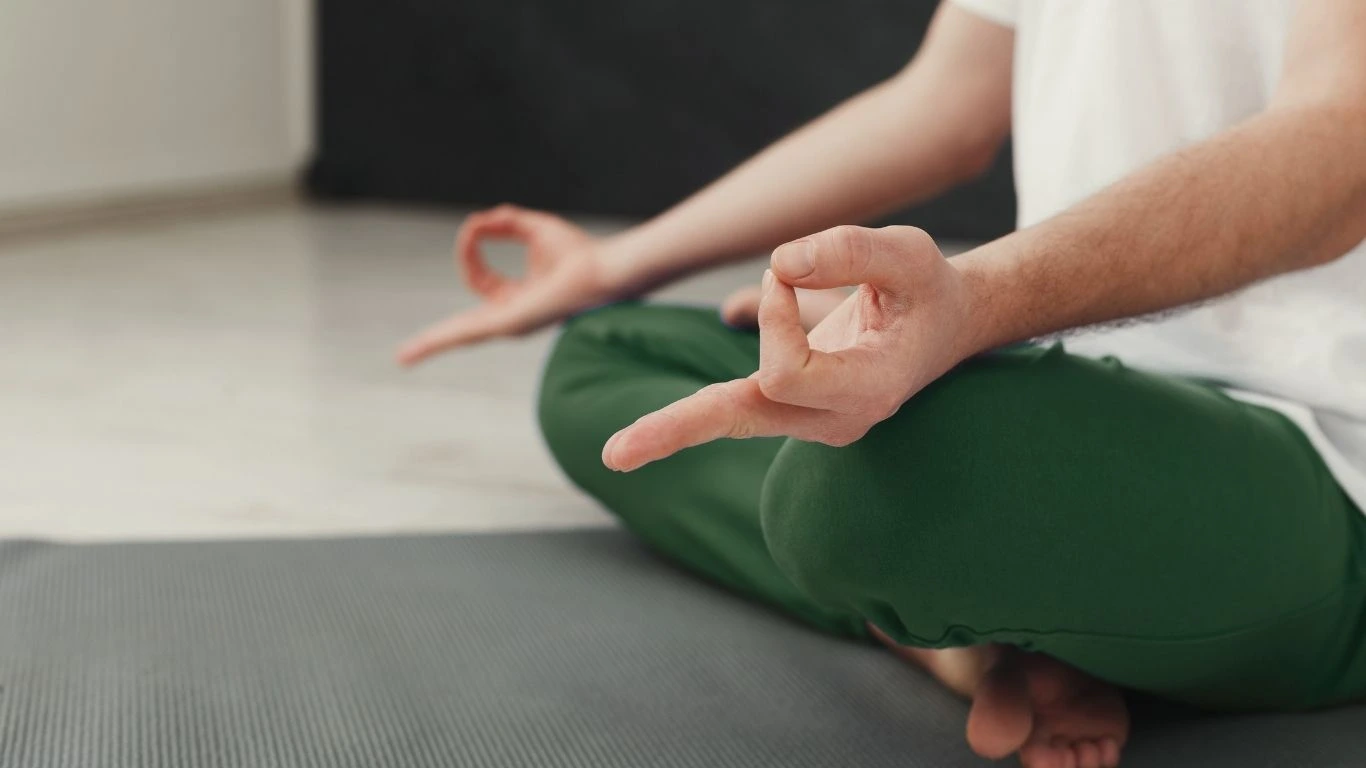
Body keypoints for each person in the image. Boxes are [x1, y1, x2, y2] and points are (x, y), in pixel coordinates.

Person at [399, 1, 1366, 765]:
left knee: (851, 491)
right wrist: (613, 266)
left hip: (1321, 458)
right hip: (1065, 382)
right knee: (607, 357)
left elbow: (1339, 150)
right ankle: (973, 642)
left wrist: (974, 303)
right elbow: (943, 104)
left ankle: (965, 605)